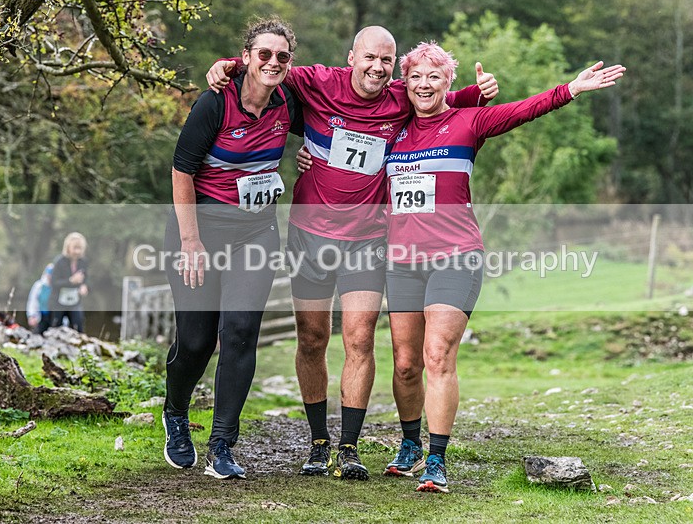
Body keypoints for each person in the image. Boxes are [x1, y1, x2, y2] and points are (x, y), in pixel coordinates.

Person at [206, 26, 499, 480]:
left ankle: (349, 447)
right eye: (369, 58)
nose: (377, 68)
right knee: (312, 339)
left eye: (386, 60)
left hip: (367, 238)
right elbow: (266, 70)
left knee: (360, 339)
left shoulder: (402, 95)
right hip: (309, 233)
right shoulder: (316, 81)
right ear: (351, 57)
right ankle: (318, 442)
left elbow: (440, 104)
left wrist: (478, 95)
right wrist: (228, 65)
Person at [380, 42, 625, 493]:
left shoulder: (469, 121)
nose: (424, 85)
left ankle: (436, 459)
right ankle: (409, 444)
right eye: (415, 77)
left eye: (435, 76)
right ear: (406, 83)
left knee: (438, 356)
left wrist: (572, 87)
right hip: (402, 262)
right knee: (405, 364)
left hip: (456, 256)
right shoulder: (392, 129)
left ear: (448, 82)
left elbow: (525, 110)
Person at [162, 16, 302, 480]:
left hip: (255, 233)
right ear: (245, 57)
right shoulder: (213, 104)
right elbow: (182, 171)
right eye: (264, 54)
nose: (273, 62)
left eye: (282, 56)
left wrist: (310, 154)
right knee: (198, 343)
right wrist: (190, 242)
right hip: (199, 230)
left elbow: (334, 120)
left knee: (240, 332)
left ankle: (222, 445)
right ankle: (176, 413)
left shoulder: (288, 101)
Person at [50, 232, 89, 333]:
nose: (77, 251)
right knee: (55, 329)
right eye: (75, 248)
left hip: (75, 301)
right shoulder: (59, 261)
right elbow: (54, 283)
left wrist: (84, 286)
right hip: (58, 302)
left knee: (78, 326)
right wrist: (70, 281)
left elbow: (86, 279)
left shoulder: (83, 262)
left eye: (80, 248)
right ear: (68, 247)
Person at [26, 263, 53, 334]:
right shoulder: (39, 286)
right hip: (41, 317)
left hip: (54, 317)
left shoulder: (59, 286)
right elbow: (32, 301)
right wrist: (31, 315)